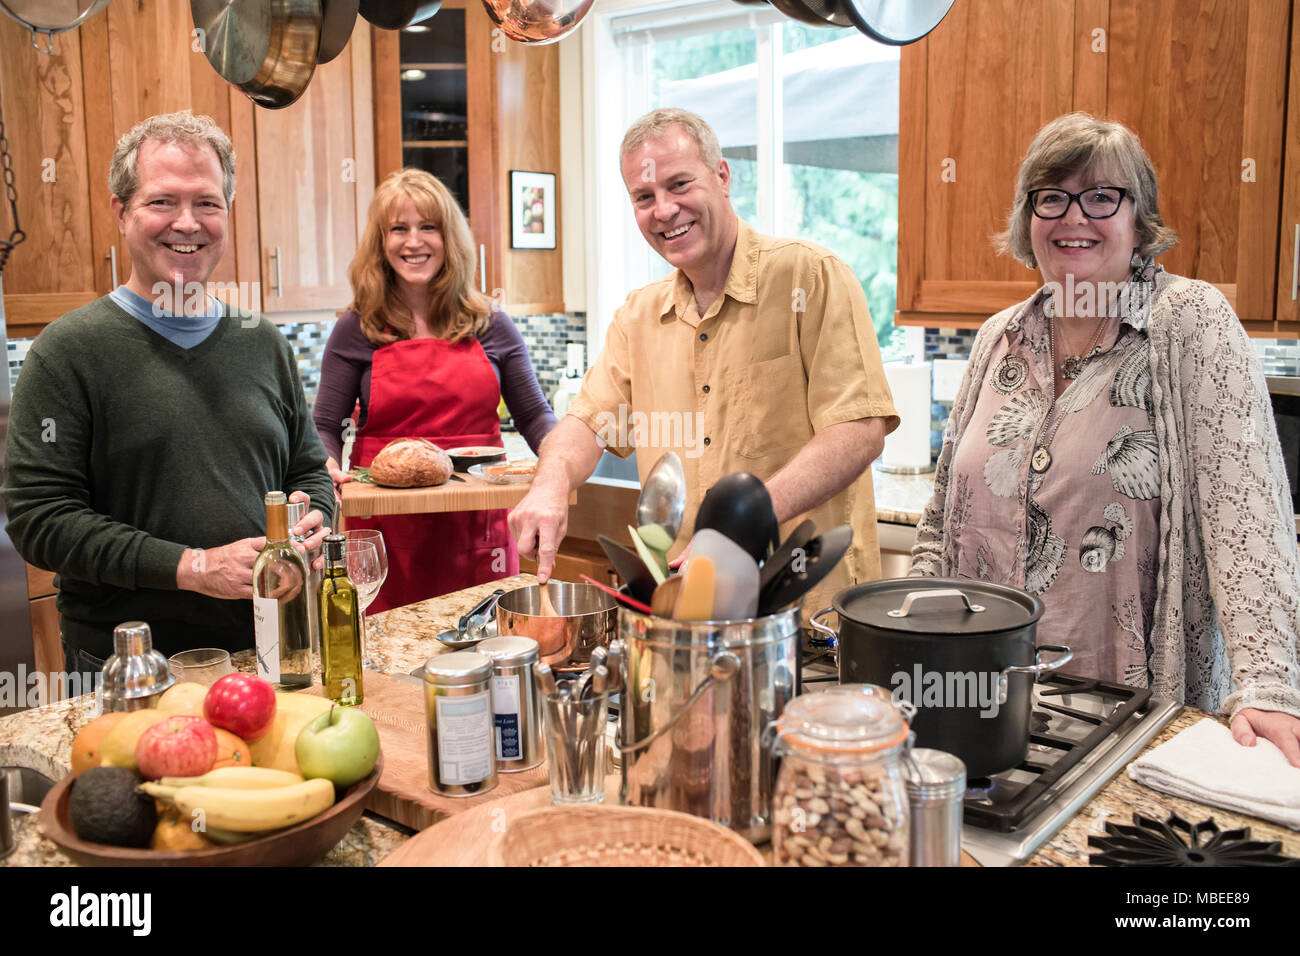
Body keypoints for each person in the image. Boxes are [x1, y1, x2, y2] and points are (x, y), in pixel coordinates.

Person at [911, 112, 1300, 765]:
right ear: (1027, 217)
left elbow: (1250, 520)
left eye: (1101, 197)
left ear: (1139, 220)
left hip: (1126, 720)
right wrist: (903, 626)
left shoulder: (1190, 323)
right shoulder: (997, 337)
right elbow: (941, 514)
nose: (1073, 217)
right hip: (978, 704)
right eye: (1051, 197)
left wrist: (1272, 685)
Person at [508, 108, 898, 614]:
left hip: (803, 611)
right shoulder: (639, 315)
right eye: (644, 197)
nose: (664, 210)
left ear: (722, 176)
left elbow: (859, 430)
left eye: (679, 185)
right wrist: (551, 482)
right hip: (687, 611)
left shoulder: (810, 277)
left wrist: (741, 524)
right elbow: (588, 423)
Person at [2, 110, 333, 671]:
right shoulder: (68, 351)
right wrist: (196, 567)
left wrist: (315, 517)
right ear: (121, 211)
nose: (187, 223)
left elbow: (307, 470)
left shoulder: (264, 342)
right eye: (162, 202)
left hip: (271, 643)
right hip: (130, 664)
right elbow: (41, 520)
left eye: (207, 202)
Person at [313, 169, 556, 612]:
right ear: (380, 243)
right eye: (399, 229)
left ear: (450, 238)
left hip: (476, 523)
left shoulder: (491, 323)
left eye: (428, 227)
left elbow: (535, 416)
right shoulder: (357, 326)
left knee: (484, 650)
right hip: (385, 532)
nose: (414, 241)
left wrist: (560, 469)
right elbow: (326, 424)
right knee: (389, 663)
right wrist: (325, 465)